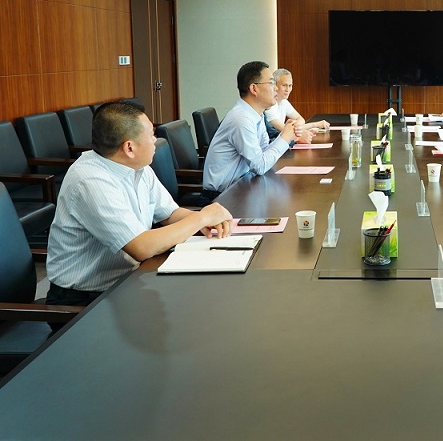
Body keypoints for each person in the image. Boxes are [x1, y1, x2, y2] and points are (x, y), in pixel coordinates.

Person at [46, 101, 233, 308]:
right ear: (129, 147)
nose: (155, 141)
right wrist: (201, 217)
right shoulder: (91, 181)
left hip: (129, 279)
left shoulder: (137, 167)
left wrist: (208, 222)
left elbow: (169, 214)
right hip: (85, 300)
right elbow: (141, 247)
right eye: (151, 135)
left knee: (206, 296)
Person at [203, 61, 297, 197]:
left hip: (242, 189)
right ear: (254, 89)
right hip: (220, 197)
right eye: (271, 83)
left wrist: (285, 135)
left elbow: (264, 152)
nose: (276, 88)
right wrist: (285, 137)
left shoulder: (257, 115)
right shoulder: (241, 119)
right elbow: (260, 166)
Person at [265, 68, 329, 142]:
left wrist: (296, 127)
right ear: (274, 85)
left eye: (290, 85)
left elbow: (300, 119)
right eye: (284, 85)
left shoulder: (284, 102)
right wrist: (314, 125)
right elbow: (286, 131)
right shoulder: (268, 106)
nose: (288, 89)